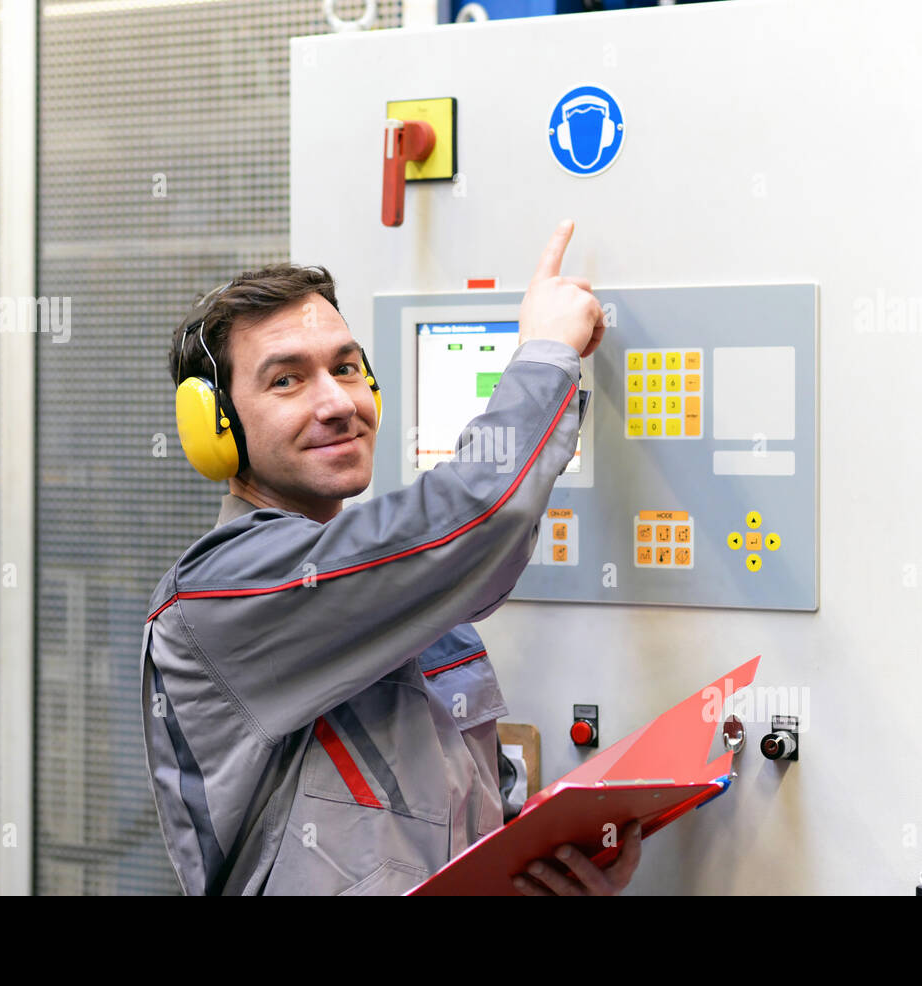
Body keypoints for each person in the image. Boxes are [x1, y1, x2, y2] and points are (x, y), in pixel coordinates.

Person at [141, 220, 642, 895]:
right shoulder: (219, 597)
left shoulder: (416, 601)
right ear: (215, 428)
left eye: (346, 368)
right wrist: (546, 352)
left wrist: (545, 868)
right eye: (287, 381)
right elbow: (476, 517)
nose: (337, 403)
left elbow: (448, 823)